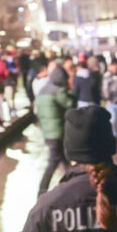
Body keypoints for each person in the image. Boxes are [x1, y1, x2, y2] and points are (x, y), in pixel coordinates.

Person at [36, 64, 77, 196]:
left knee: (64, 159)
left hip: (47, 132)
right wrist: (71, 90)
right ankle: (42, 189)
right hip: (58, 131)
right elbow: (70, 105)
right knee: (54, 160)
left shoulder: (42, 90)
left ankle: (71, 183)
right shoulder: (58, 91)